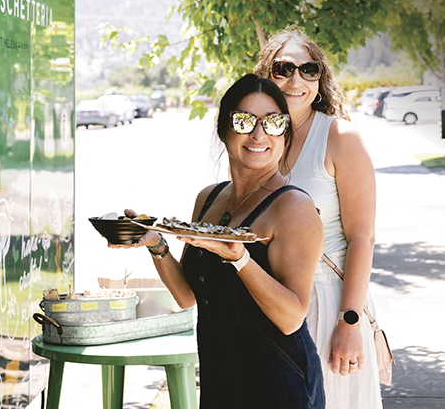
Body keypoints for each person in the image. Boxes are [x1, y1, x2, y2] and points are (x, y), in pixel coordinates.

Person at [114, 74, 325, 409]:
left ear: (284, 131)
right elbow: (187, 297)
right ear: (223, 129)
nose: (258, 134)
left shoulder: (293, 207)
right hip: (219, 372)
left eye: (272, 122)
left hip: (278, 379)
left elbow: (291, 317)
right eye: (244, 121)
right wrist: (155, 243)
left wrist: (241, 260)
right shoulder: (209, 199)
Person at [254, 26, 382, 409]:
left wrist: (350, 321)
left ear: (320, 79)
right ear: (266, 75)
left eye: (309, 70)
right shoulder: (261, 138)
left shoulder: (341, 137)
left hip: (330, 302)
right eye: (284, 69)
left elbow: (363, 238)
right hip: (273, 302)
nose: (297, 80)